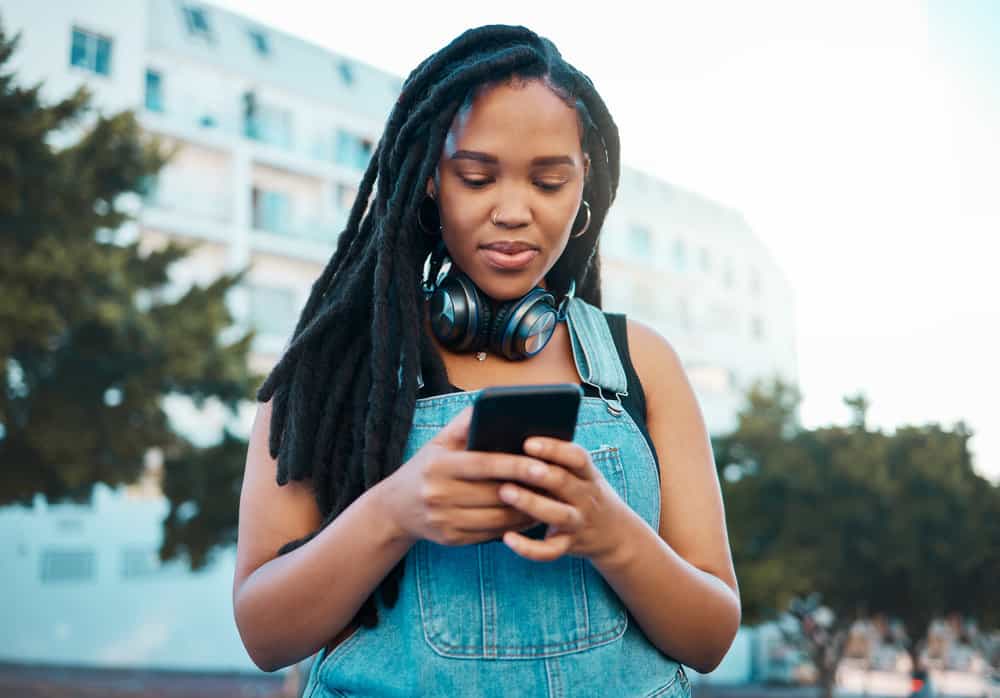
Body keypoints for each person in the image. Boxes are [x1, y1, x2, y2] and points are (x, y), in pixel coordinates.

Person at [233, 24, 740, 697]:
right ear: (428, 182)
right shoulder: (332, 370)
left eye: (549, 181)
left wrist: (612, 534)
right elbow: (265, 637)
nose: (512, 211)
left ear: (586, 187)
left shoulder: (642, 363)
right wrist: (394, 512)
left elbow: (710, 638)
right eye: (475, 176)